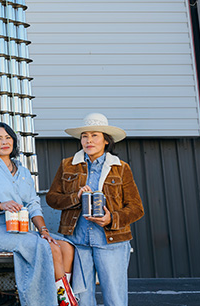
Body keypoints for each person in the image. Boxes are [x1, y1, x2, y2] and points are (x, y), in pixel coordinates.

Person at [0, 122, 78, 306]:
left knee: (65, 246)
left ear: (14, 141)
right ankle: (63, 300)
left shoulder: (23, 172)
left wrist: (43, 230)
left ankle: (60, 296)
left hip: (21, 228)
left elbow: (34, 204)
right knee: (48, 248)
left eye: (8, 137)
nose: (4, 142)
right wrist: (0, 206)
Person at [46, 113, 145, 306]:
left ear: (106, 140)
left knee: (115, 299)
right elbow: (52, 199)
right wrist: (76, 197)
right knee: (82, 299)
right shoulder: (67, 165)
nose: (89, 140)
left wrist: (111, 219)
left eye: (94, 135)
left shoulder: (121, 168)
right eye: (85, 136)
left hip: (111, 242)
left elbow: (136, 208)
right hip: (78, 242)